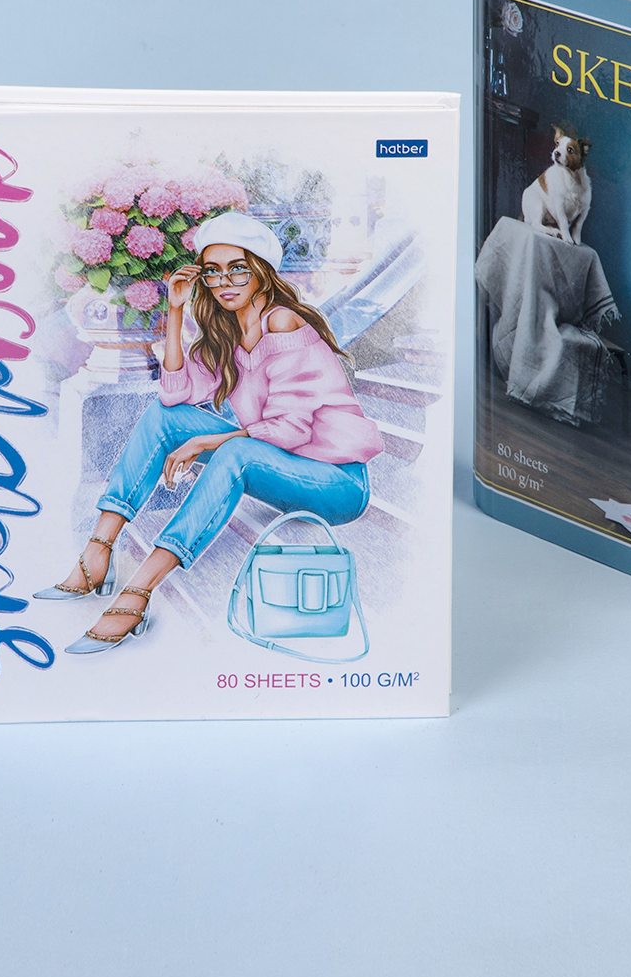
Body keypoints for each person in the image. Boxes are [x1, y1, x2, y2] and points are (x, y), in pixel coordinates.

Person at [35, 210, 382, 653]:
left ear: (261, 271)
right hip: (282, 465)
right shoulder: (227, 331)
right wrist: (175, 310)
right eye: (213, 272)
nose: (224, 282)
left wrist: (208, 441)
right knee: (164, 420)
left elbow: (290, 429)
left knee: (235, 453)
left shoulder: (282, 323)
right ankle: (97, 552)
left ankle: (139, 590)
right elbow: (174, 395)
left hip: (337, 483)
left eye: (238, 269)